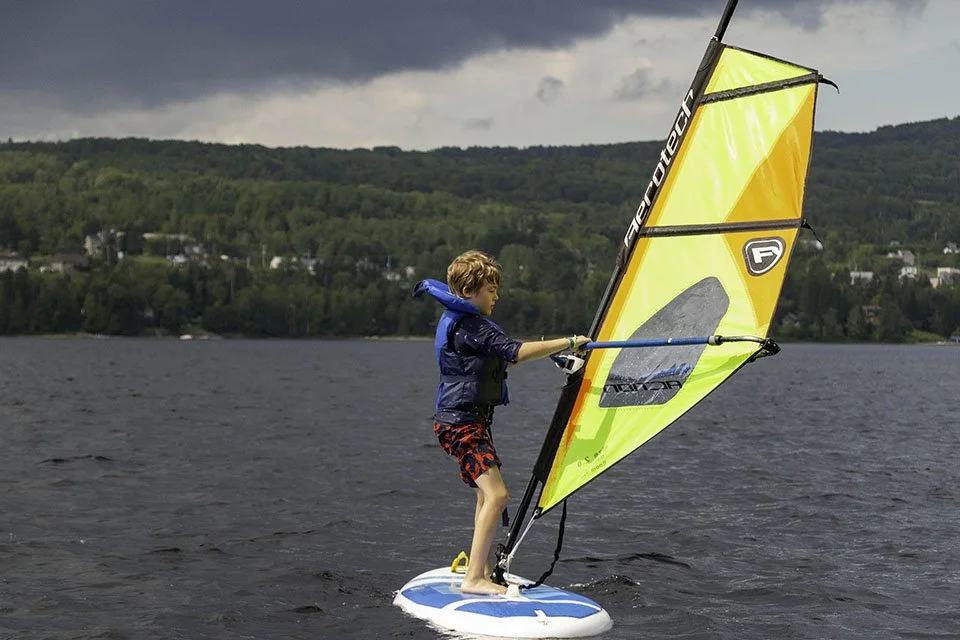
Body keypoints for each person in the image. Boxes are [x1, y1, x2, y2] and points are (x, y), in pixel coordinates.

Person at [413, 250, 590, 595]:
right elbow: (515, 352)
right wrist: (569, 341)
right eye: (491, 290)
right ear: (469, 291)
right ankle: (474, 580)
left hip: (466, 423)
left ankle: (476, 567)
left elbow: (498, 362)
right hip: (461, 425)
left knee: (485, 496)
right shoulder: (470, 326)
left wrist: (557, 354)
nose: (497, 296)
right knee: (498, 494)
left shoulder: (463, 326)